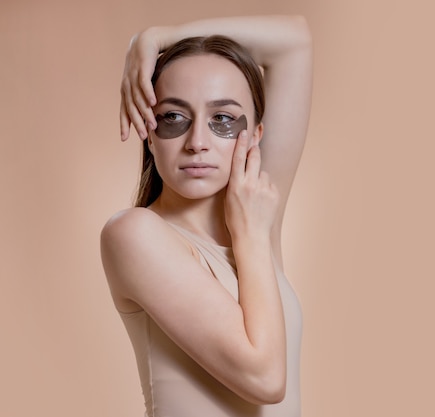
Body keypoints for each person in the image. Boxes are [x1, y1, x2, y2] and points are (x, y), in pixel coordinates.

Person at [100, 15, 312, 417]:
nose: (197, 143)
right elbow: (265, 380)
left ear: (256, 135)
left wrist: (155, 37)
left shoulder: (255, 215)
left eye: (223, 120)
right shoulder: (134, 234)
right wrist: (250, 236)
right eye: (174, 118)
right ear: (149, 126)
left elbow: (294, 43)